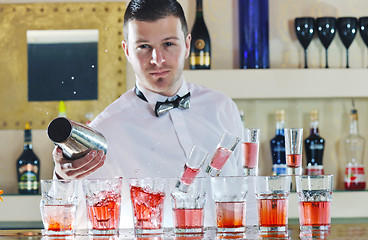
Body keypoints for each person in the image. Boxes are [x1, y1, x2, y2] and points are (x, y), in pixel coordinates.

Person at [52, 0, 244, 228]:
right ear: (127, 51)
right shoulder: (104, 131)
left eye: (169, 44)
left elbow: (246, 194)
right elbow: (71, 223)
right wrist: (63, 179)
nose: (157, 59)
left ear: (187, 44)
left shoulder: (223, 108)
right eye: (144, 46)